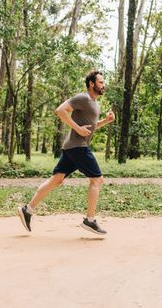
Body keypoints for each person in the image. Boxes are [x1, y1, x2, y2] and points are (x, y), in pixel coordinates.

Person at [18, 70, 115, 235]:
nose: (103, 85)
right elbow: (60, 110)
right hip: (78, 146)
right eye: (100, 82)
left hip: (73, 146)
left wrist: (105, 121)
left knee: (56, 179)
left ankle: (27, 209)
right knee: (97, 180)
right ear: (91, 83)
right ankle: (89, 220)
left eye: (103, 82)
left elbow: (90, 128)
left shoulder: (94, 103)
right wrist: (76, 128)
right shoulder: (83, 98)